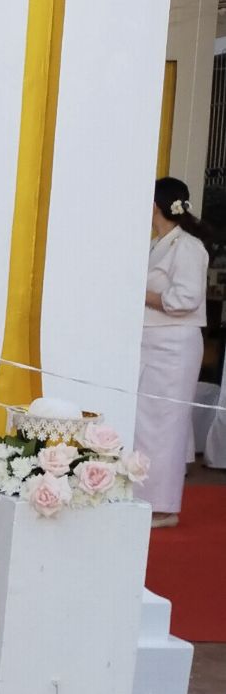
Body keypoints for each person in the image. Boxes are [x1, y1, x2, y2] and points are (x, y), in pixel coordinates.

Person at [136, 176, 211, 526]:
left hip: (176, 343)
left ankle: (164, 507)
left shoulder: (189, 246)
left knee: (167, 424)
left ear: (155, 206)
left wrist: (141, 294)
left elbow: (186, 298)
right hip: (152, 340)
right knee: (147, 423)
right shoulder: (157, 244)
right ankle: (143, 496)